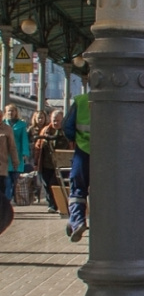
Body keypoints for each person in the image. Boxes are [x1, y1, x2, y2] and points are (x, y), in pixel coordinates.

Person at [62, 92, 90, 241]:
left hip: (84, 150)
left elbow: (67, 126)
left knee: (78, 187)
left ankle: (77, 220)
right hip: (109, 152)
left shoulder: (81, 101)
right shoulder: (117, 99)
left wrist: (75, 139)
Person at [35, 109, 71, 213]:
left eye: (58, 120)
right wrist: (36, 162)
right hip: (47, 163)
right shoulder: (46, 130)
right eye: (54, 120)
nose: (55, 123)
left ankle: (61, 204)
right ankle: (52, 205)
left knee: (57, 183)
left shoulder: (67, 131)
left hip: (62, 164)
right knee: (47, 184)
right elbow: (38, 147)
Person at [3, 104, 30, 203]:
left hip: (17, 155)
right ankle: (7, 200)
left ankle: (13, 198)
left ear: (16, 112)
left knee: (15, 180)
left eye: (12, 111)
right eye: (9, 111)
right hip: (5, 155)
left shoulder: (21, 125)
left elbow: (24, 139)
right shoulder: (3, 123)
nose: (10, 113)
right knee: (7, 181)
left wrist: (25, 153)